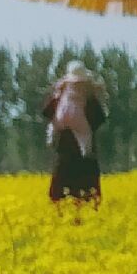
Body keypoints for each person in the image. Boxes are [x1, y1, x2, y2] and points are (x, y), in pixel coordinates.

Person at [42, 59, 107, 207]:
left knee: (60, 192)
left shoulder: (59, 98)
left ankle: (60, 211)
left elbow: (46, 113)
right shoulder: (89, 99)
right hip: (85, 159)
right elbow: (99, 119)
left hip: (63, 153)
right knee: (87, 194)